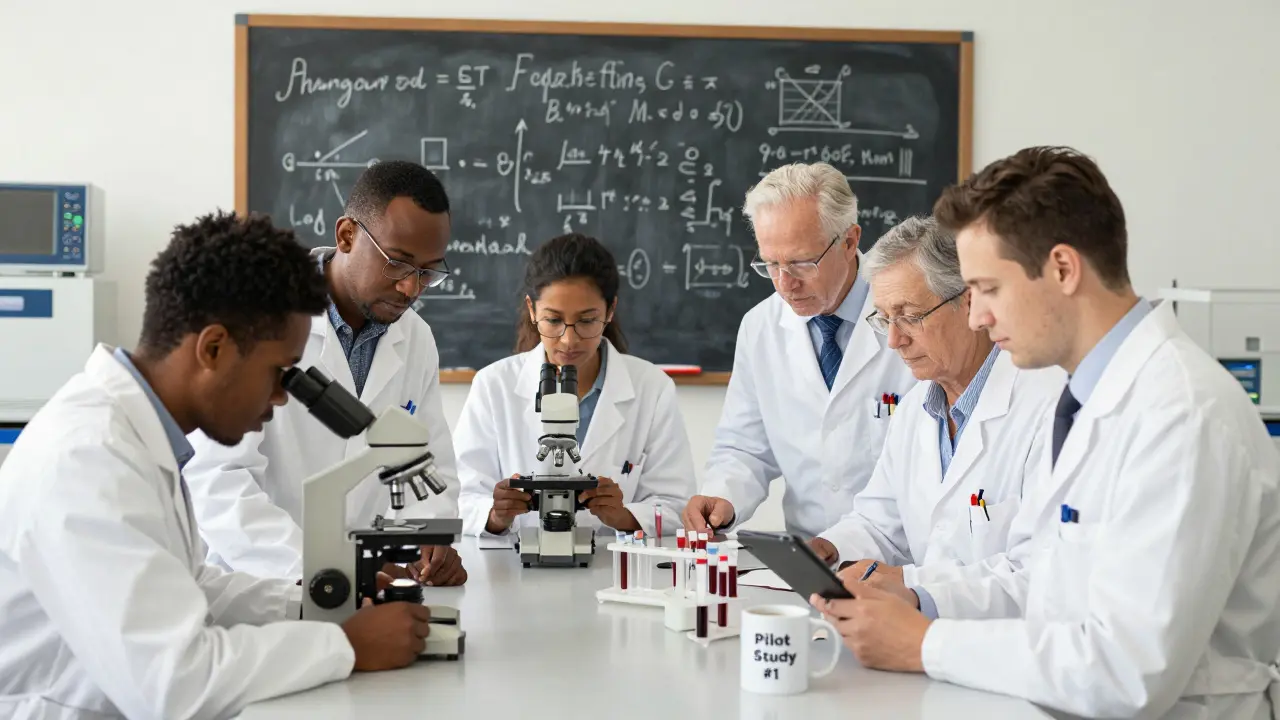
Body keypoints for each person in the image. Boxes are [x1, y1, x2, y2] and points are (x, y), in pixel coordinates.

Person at [811, 146, 1280, 719]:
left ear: (1062, 268)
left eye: (988, 288)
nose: (978, 315)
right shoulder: (1095, 398)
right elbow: (1048, 587)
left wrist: (923, 642)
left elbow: (1130, 669)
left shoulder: (1180, 413)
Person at [0, 212, 434, 719]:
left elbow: (190, 586)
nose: (279, 398)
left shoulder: (133, 435)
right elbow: (176, 683)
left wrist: (319, 603)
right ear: (213, 348)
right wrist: (345, 645)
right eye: (279, 373)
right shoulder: (88, 458)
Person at [185, 160, 466, 587]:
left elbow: (428, 462)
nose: (411, 288)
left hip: (366, 586)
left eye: (428, 272)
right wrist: (323, 569)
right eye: (399, 263)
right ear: (347, 235)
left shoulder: (416, 338)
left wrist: (431, 538)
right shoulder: (258, 316)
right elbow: (218, 480)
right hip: (263, 585)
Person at [805, 216, 1065, 619]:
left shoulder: (1046, 405)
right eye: (884, 319)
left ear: (969, 302)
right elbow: (879, 522)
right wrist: (831, 548)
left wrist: (916, 591)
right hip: (925, 644)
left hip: (1004, 651)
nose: (895, 340)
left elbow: (1039, 572)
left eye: (909, 316)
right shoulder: (915, 411)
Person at [680, 162, 916, 538]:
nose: (785, 284)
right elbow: (744, 447)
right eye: (771, 264)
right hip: (808, 557)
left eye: (801, 263)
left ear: (849, 241)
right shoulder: (761, 328)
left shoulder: (912, 312)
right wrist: (722, 498)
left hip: (902, 560)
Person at [455, 233, 697, 538]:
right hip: (515, 574)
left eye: (587, 321)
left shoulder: (652, 388)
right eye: (553, 321)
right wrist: (496, 514)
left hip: (614, 575)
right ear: (532, 310)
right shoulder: (494, 386)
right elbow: (460, 499)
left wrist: (624, 515)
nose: (569, 340)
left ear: (610, 311)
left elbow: (677, 506)